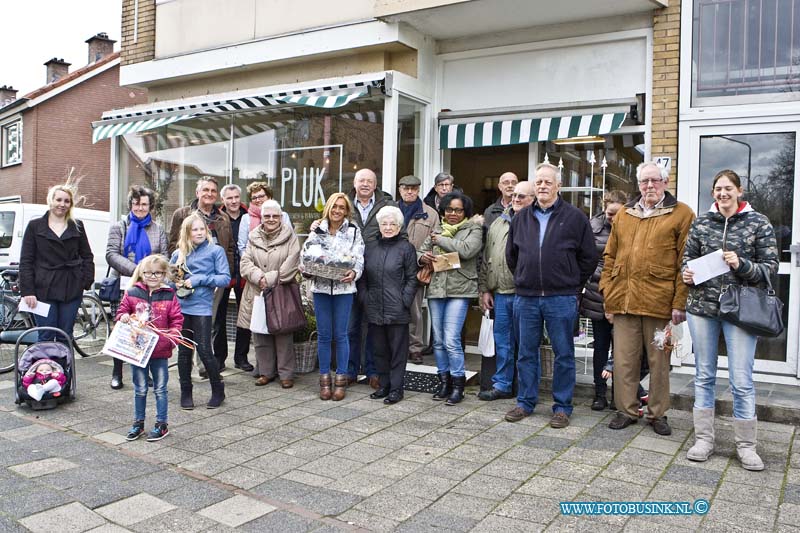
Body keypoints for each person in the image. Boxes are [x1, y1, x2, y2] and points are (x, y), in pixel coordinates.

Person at [682, 169, 778, 471]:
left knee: (741, 380)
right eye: (717, 189)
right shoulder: (701, 222)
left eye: (727, 188)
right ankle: (704, 440)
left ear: (739, 191)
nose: (722, 194)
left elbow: (770, 268)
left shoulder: (758, 222)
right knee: (704, 375)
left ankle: (746, 446)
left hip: (740, 311)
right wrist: (687, 274)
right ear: (713, 193)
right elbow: (688, 258)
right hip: (702, 309)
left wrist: (742, 264)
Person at [600, 161, 695, 436]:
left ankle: (657, 414)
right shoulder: (625, 214)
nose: (649, 186)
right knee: (624, 360)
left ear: (665, 182)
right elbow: (610, 256)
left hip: (659, 303)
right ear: (638, 185)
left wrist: (680, 303)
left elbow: (685, 261)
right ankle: (626, 410)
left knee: (659, 363)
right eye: (644, 182)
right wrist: (607, 291)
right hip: (624, 301)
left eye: (655, 180)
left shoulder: (682, 214)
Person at [504, 163, 597, 428]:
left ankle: (562, 406)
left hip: (561, 298)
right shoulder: (521, 218)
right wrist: (524, 276)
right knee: (526, 352)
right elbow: (512, 256)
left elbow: (589, 257)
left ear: (558, 186)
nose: (542, 186)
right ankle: (525, 402)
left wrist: (570, 282)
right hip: (527, 297)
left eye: (547, 182)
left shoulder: (575, 217)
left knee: (564, 353)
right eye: (539, 182)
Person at [418, 192, 482, 405]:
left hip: (460, 290)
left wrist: (440, 240)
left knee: (451, 339)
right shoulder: (436, 230)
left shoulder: (473, 229)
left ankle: (458, 385)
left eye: (458, 210)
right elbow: (421, 250)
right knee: (437, 341)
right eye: (449, 209)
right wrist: (422, 257)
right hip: (436, 289)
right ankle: (443, 381)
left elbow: (466, 250)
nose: (453, 213)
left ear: (465, 212)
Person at [168, 176, 235, 375]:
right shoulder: (182, 214)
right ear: (197, 193)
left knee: (210, 321)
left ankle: (204, 363)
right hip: (187, 279)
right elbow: (173, 242)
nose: (209, 194)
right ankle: (188, 364)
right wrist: (182, 269)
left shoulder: (223, 217)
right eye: (205, 190)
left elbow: (229, 248)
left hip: (215, 278)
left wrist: (226, 272)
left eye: (213, 191)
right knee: (189, 321)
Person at [301, 193, 364, 401]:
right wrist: (306, 270)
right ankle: (324, 380)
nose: (337, 210)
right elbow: (306, 254)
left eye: (341, 207)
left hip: (344, 290)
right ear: (328, 208)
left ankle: (341, 380)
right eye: (334, 206)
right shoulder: (317, 229)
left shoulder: (354, 231)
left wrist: (354, 273)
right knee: (324, 336)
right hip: (320, 289)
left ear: (346, 210)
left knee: (342, 335)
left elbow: (359, 258)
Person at [105, 185, 169, 390]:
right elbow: (111, 254)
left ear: (150, 206)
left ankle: (142, 370)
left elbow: (165, 256)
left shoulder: (158, 230)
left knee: (146, 327)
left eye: (144, 204)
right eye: (136, 203)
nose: (140, 208)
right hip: (125, 284)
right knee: (122, 328)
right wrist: (138, 270)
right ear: (130, 204)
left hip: (150, 287)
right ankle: (117, 372)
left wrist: (151, 274)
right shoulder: (119, 227)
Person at [477, 180, 535, 401]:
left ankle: (526, 390)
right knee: (503, 342)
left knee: (527, 344)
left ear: (533, 199)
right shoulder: (498, 223)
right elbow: (487, 258)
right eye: (514, 196)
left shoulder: (535, 221)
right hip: (501, 293)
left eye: (522, 196)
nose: (516, 200)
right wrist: (485, 289)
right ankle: (502, 385)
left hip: (525, 294)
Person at [117, 254, 183, 442]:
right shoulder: (132, 293)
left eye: (157, 273)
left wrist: (172, 338)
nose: (153, 276)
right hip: (137, 351)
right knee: (140, 388)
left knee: (161, 389)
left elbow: (177, 320)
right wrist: (123, 317)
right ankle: (138, 423)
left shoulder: (169, 294)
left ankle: (162, 424)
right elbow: (122, 312)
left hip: (160, 350)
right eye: (148, 273)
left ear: (164, 274)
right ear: (142, 273)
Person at [170, 213, 231, 410]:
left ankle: (218, 389)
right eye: (194, 229)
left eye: (201, 229)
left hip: (202, 307)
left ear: (206, 231)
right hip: (182, 307)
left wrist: (198, 279)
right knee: (184, 352)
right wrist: (175, 283)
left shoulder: (216, 251)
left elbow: (224, 279)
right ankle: (186, 391)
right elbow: (170, 282)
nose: (198, 232)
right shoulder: (177, 254)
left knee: (204, 349)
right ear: (187, 233)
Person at [19, 183, 94, 342]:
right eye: (58, 199)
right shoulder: (35, 226)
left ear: (70, 204)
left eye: (67, 201)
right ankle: (45, 367)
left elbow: (87, 256)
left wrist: (85, 281)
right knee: (45, 334)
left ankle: (64, 367)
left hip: (71, 288)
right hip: (42, 289)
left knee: (65, 334)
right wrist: (28, 291)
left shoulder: (77, 226)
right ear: (50, 201)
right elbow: (26, 260)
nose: (62, 204)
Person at [238, 200, 301, 388]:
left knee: (283, 333)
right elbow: (245, 263)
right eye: (267, 216)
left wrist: (271, 278)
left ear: (281, 217)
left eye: (275, 216)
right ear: (262, 218)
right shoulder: (253, 236)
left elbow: (293, 262)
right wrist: (259, 277)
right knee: (260, 333)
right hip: (257, 291)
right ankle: (266, 372)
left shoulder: (290, 236)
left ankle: (286, 374)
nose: (271, 219)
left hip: (282, 291)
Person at [361, 206, 418, 404]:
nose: (387, 227)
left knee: (397, 352)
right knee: (379, 350)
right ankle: (384, 385)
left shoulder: (406, 248)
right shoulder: (370, 247)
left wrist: (405, 301)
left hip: (397, 309)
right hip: (374, 307)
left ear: (399, 226)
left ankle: (396, 388)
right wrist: (365, 299)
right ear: (379, 225)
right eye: (384, 223)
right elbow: (363, 278)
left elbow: (412, 278)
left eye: (392, 224)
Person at [346, 168, 396, 388]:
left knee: (374, 325)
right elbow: (330, 223)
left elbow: (398, 233)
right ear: (355, 183)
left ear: (375, 185)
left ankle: (373, 371)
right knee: (350, 326)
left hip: (377, 272)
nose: (365, 184)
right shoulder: (344, 203)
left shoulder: (388, 205)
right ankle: (349, 370)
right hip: (348, 273)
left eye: (369, 181)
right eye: (361, 180)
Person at [579, 190, 628, 410]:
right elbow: (587, 257)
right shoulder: (592, 226)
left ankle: (620, 394)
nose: (612, 218)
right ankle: (599, 392)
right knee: (600, 346)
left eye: (617, 213)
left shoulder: (632, 224)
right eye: (609, 213)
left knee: (623, 348)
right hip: (597, 293)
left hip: (624, 294)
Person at [397, 175, 439, 364]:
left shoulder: (430, 213)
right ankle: (396, 346)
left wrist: (423, 259)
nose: (410, 191)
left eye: (414, 188)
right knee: (393, 308)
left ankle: (415, 348)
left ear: (419, 190)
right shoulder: (390, 211)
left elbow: (435, 241)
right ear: (400, 189)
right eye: (406, 188)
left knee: (414, 311)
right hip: (391, 269)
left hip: (416, 269)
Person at [216, 183, 255, 373]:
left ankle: (241, 357)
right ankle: (219, 358)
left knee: (244, 317)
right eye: (229, 198)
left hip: (245, 275)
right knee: (219, 318)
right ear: (223, 200)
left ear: (240, 198)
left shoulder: (249, 217)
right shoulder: (217, 218)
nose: (233, 201)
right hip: (223, 274)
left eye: (236, 197)